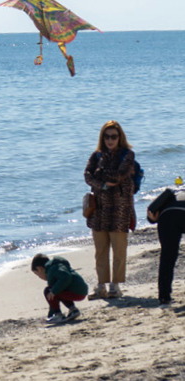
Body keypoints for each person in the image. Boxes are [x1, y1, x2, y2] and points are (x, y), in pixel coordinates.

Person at [84, 120, 136, 299]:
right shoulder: (96, 155)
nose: (110, 140)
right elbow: (87, 176)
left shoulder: (127, 154)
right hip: (99, 210)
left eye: (113, 136)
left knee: (119, 251)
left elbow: (120, 175)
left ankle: (115, 286)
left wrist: (100, 175)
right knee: (100, 252)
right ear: (102, 138)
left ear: (120, 137)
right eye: (107, 137)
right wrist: (104, 184)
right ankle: (101, 286)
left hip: (121, 210)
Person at [147, 188, 185, 304]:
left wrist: (152, 219)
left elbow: (151, 214)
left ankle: (164, 296)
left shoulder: (173, 193)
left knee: (167, 258)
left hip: (166, 216)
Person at [30, 254, 88, 324]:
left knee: (48, 291)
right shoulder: (56, 267)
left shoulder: (53, 269)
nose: (39, 277)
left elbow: (66, 277)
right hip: (81, 291)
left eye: (37, 274)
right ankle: (73, 310)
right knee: (55, 291)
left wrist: (54, 291)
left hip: (77, 291)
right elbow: (53, 299)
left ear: (40, 269)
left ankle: (58, 315)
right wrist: (50, 315)